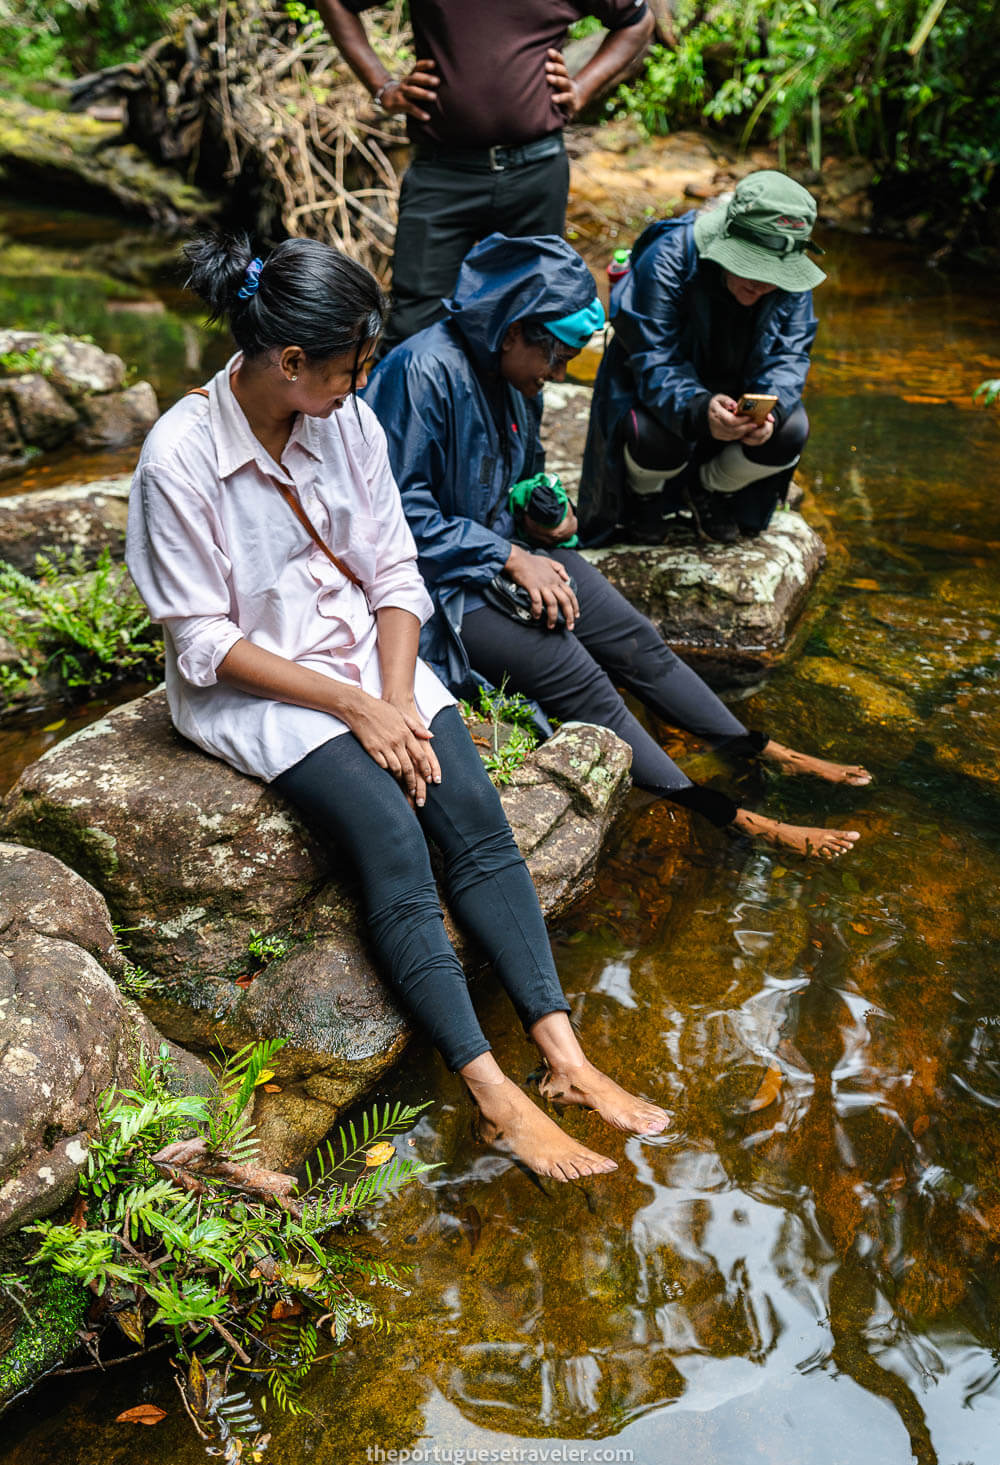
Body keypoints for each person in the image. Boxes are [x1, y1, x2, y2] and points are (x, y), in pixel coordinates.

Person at [125, 232, 672, 1183]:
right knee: (393, 834)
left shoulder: (348, 423)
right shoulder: (180, 457)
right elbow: (205, 643)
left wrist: (393, 701)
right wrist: (353, 710)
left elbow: (392, 571)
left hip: (374, 664)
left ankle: (566, 1059)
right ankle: (494, 1094)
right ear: (290, 363)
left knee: (475, 817)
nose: (359, 383)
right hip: (264, 692)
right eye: (349, 368)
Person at [364, 232, 871, 859]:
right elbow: (392, 521)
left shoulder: (510, 374)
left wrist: (541, 514)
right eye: (557, 358)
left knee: (638, 641)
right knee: (579, 676)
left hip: (499, 559)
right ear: (513, 330)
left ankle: (757, 748)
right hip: (433, 592)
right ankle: (731, 817)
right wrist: (511, 557)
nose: (560, 374)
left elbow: (524, 473)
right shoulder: (421, 373)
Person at [314, 0, 654, 352]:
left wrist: (584, 87)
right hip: (442, 171)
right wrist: (383, 86)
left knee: (534, 325)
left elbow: (637, 22)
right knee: (414, 327)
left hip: (535, 171)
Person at [579, 170, 825, 545]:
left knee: (790, 431)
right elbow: (654, 358)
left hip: (735, 396)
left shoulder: (790, 281)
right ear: (727, 239)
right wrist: (698, 407)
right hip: (655, 398)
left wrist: (769, 414)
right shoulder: (670, 258)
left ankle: (711, 489)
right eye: (750, 266)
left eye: (774, 273)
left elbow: (790, 357)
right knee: (657, 437)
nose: (761, 283)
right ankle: (644, 496)